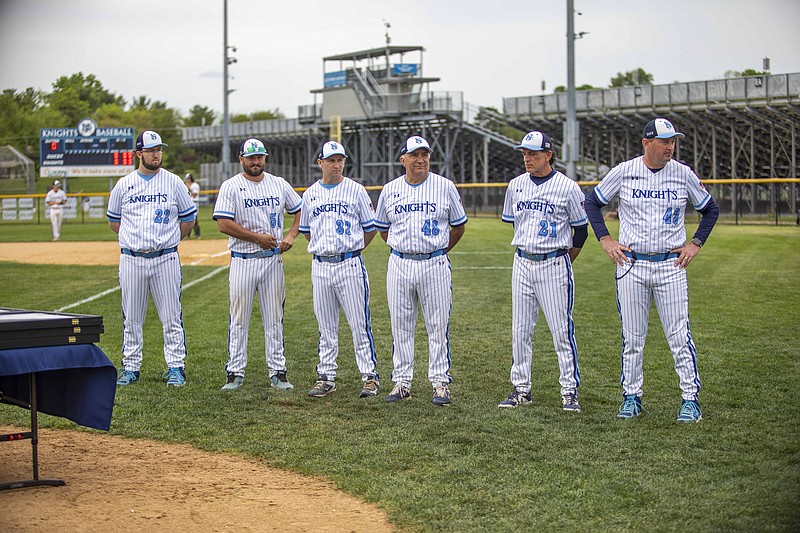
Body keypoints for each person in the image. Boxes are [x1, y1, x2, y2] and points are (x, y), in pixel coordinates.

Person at [584, 118, 719, 422]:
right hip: (631, 264)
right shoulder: (624, 171)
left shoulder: (683, 174)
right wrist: (606, 239)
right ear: (647, 143)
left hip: (670, 265)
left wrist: (695, 243)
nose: (670, 146)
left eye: (673, 141)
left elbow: (710, 209)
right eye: (664, 141)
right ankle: (632, 396)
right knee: (632, 337)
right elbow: (592, 202)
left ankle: (690, 399)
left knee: (679, 335)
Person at [498, 131, 589, 412]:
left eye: (533, 154)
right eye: (524, 153)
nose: (527, 158)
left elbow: (581, 231)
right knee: (520, 330)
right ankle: (521, 388)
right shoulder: (516, 185)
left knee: (561, 331)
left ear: (548, 155)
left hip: (554, 262)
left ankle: (569, 390)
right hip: (523, 261)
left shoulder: (567, 187)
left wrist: (562, 260)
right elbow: (515, 225)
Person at [373, 135, 468, 406]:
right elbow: (382, 227)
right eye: (414, 155)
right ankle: (402, 381)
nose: (421, 159)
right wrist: (402, 247)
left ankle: (440, 382)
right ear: (402, 159)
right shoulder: (390, 189)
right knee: (400, 326)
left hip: (434, 263)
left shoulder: (444, 186)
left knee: (437, 326)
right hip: (400, 263)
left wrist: (439, 250)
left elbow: (458, 225)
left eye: (425, 154)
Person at [107, 130, 197, 387]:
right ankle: (131, 367)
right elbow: (115, 222)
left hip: (165, 258)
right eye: (151, 150)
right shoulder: (123, 184)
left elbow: (188, 219)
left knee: (171, 317)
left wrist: (168, 241)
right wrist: (137, 241)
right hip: (132, 258)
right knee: (132, 318)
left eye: (159, 150)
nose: (156, 154)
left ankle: (176, 367)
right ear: (139, 154)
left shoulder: (174, 182)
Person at [213, 138, 302, 391]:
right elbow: (223, 224)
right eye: (251, 157)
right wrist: (257, 238)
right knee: (239, 318)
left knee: (274, 317)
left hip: (272, 260)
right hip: (243, 259)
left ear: (265, 158)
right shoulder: (231, 186)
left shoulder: (278, 184)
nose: (256, 161)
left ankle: (278, 371)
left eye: (260, 157)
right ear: (241, 159)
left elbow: (299, 209)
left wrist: (292, 234)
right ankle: (235, 371)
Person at [299, 141, 380, 398]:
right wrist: (325, 248)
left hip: (350, 263)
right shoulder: (310, 193)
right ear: (320, 163)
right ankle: (326, 376)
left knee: (359, 323)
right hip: (321, 265)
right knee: (325, 325)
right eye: (331, 160)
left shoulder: (356, 190)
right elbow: (307, 231)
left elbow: (370, 228)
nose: (336, 165)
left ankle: (369, 376)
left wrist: (351, 250)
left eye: (340, 160)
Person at [184, 174, 202, 239]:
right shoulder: (187, 186)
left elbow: (194, 195)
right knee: (187, 218)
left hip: (194, 203)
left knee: (194, 219)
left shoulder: (195, 185)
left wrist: (188, 188)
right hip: (188, 203)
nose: (186, 181)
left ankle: (198, 234)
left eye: (187, 179)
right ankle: (187, 235)